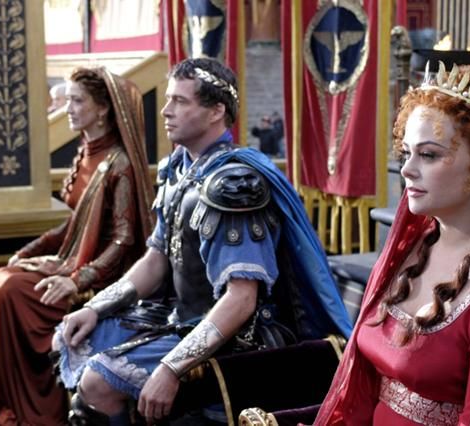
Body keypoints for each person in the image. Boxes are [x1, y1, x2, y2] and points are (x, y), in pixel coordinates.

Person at [52, 57, 352, 425]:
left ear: (216, 111)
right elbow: (156, 259)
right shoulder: (178, 169)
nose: (165, 110)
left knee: (98, 382)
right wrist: (95, 307)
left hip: (241, 337)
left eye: (180, 101)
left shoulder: (234, 185)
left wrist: (170, 368)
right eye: (168, 99)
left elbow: (242, 299)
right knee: (73, 337)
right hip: (181, 317)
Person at [314, 63, 470, 425]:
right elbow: (361, 391)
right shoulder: (412, 249)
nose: (407, 169)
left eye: (428, 155)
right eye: (406, 153)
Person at [0, 67, 156, 425]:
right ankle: (16, 403)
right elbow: (72, 224)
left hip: (105, 277)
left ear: (103, 109)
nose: (69, 109)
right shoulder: (86, 152)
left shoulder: (119, 163)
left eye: (77, 101)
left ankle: (42, 411)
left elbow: (123, 241)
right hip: (75, 261)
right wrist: (27, 253)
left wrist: (76, 281)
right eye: (69, 101)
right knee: (1, 278)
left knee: (12, 289)